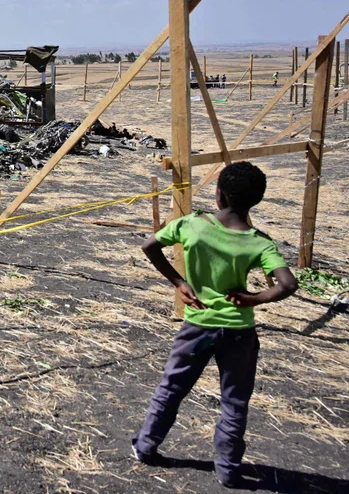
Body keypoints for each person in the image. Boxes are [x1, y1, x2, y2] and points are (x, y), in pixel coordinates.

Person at [132, 161, 298, 488]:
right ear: (255, 201)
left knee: (172, 388)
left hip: (197, 325)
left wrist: (179, 281)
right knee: (235, 401)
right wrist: (254, 299)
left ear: (219, 194)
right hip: (239, 331)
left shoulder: (192, 225)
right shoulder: (259, 242)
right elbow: (288, 284)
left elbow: (150, 245)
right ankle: (228, 467)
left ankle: (147, 445)